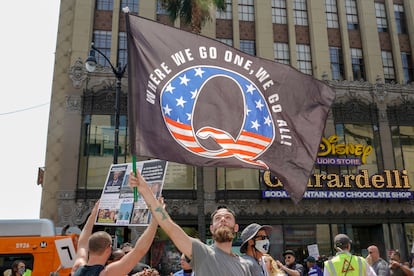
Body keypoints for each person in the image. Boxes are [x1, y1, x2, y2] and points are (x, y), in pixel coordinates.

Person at [129, 171, 253, 275]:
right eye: (218, 218)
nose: (223, 220)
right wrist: (145, 191)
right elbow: (170, 228)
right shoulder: (202, 253)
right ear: (211, 228)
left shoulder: (244, 265)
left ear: (236, 227)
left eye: (227, 217)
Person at [71, 200, 159, 276]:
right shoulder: (107, 273)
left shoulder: (77, 267)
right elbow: (139, 250)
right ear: (108, 249)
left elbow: (82, 243)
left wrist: (93, 215)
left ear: (89, 248)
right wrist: (155, 218)